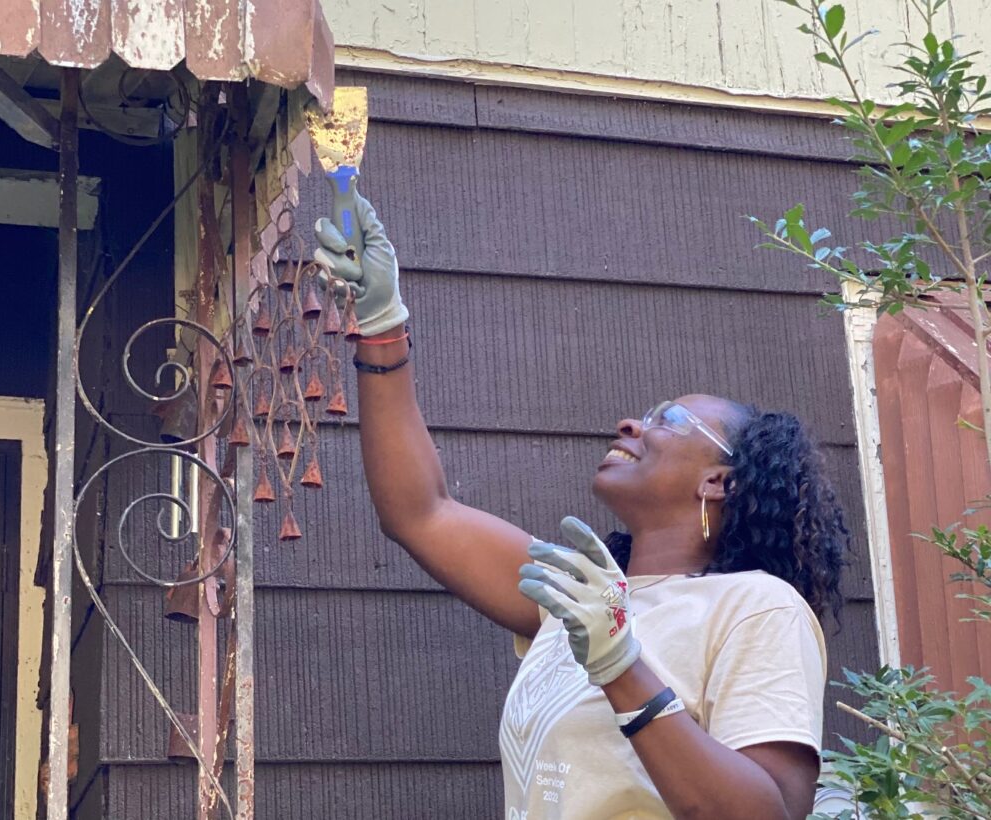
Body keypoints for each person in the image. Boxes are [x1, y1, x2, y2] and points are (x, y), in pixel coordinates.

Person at [313, 193, 849, 820]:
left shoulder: (757, 606)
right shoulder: (579, 597)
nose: (631, 423)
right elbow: (421, 513)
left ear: (719, 482)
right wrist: (382, 326)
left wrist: (620, 664)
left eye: (667, 419)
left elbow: (769, 812)